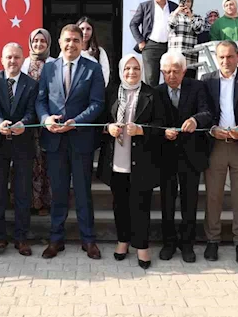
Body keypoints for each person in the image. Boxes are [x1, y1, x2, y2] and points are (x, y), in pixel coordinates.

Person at [36, 24, 105, 259]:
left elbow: (97, 103)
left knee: (83, 192)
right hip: (55, 139)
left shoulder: (93, 68)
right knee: (58, 192)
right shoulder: (49, 68)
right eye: (67, 40)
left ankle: (89, 240)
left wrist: (77, 122)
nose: (71, 44)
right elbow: (41, 100)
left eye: (76, 40)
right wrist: (45, 119)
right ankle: (56, 239)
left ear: (82, 42)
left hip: (80, 139)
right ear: (59, 42)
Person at [98, 54, 165, 270]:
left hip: (142, 160)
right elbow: (99, 121)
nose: (131, 72)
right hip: (116, 159)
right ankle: (123, 241)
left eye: (136, 68)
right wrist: (108, 128)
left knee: (141, 205)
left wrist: (141, 130)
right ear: (120, 70)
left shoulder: (151, 94)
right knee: (120, 204)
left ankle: (142, 245)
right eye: (127, 68)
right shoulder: (111, 92)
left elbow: (161, 124)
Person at [198, 41, 238, 264]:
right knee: (213, 196)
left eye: (230, 56)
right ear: (216, 58)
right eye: (221, 57)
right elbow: (204, 109)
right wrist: (212, 129)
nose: (225, 61)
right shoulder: (207, 80)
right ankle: (212, 240)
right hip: (216, 144)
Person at [155, 51, 208, 263]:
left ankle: (187, 244)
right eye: (167, 72)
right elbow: (153, 121)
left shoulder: (197, 87)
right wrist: (162, 132)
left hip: (191, 154)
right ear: (162, 72)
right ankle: (168, 243)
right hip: (166, 155)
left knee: (190, 201)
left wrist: (195, 120)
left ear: (184, 71)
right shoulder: (157, 92)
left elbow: (208, 113)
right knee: (167, 201)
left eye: (176, 71)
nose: (171, 76)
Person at [0, 43, 38, 256]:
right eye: (9, 57)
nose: (12, 61)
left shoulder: (31, 84)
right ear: (2, 59)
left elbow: (32, 111)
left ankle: (21, 238)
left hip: (23, 143)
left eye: (16, 57)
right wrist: (0, 122)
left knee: (22, 192)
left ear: (22, 59)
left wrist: (23, 123)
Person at [22, 28, 54, 215]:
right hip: (27, 121)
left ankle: (46, 203)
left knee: (47, 163)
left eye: (43, 41)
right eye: (35, 41)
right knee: (30, 162)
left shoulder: (54, 64)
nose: (39, 44)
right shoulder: (24, 63)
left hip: (48, 120)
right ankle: (30, 202)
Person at [129, 0, 178, 87]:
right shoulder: (145, 6)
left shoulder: (174, 7)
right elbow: (133, 24)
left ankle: (167, 98)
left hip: (170, 47)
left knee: (170, 77)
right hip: (151, 46)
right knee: (151, 79)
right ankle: (151, 98)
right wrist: (140, 41)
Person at [168, 0, 203, 75]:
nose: (186, 3)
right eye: (183, 1)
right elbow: (170, 26)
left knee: (189, 79)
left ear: (192, 3)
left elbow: (198, 29)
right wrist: (176, 12)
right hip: (175, 55)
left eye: (188, 1)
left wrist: (190, 16)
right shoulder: (174, 15)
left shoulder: (197, 17)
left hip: (189, 57)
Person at [77, 16, 110, 86]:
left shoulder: (100, 52)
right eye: (82, 29)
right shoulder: (69, 51)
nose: (85, 32)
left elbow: (105, 76)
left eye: (88, 29)